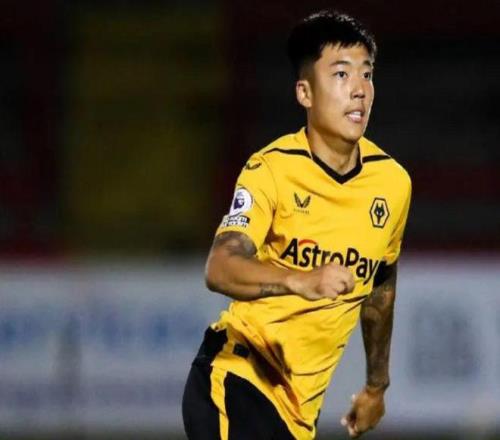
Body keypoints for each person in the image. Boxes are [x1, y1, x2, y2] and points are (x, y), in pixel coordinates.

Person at [182, 9, 412, 440]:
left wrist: (376, 385)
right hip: (238, 379)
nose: (359, 89)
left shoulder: (393, 183)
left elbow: (381, 284)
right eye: (341, 74)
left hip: (297, 417)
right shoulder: (270, 170)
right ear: (305, 92)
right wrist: (299, 279)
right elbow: (220, 266)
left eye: (367, 74)